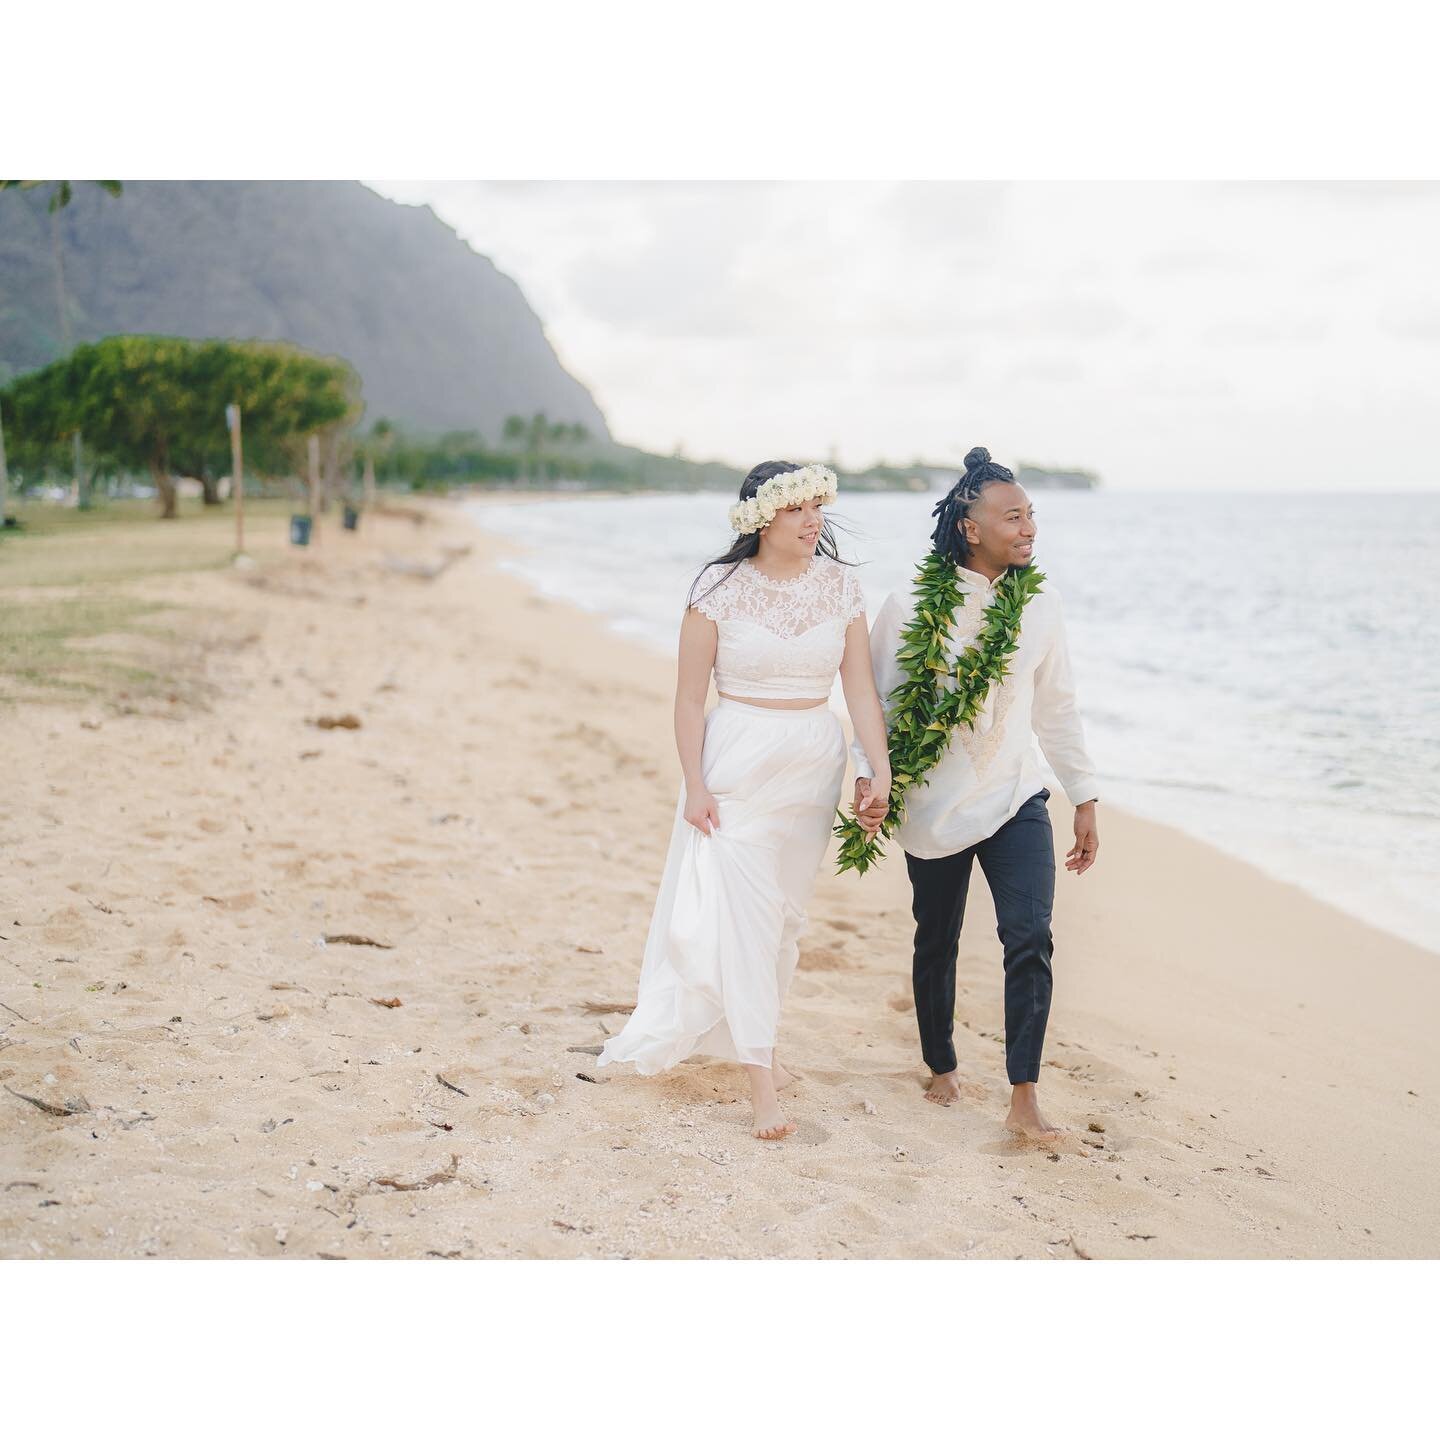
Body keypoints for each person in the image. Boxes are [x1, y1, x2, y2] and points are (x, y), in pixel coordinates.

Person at [597, 461, 891, 1140]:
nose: (812, 519)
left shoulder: (842, 587)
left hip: (812, 761)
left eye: (819, 506)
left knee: (783, 921)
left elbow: (860, 694)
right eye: (797, 509)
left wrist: (877, 770)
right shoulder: (717, 588)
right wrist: (695, 784)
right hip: (736, 763)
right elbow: (688, 697)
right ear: (762, 516)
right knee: (745, 918)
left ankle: (761, 1043)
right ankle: (761, 1085)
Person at [851, 446, 1100, 1138]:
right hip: (934, 802)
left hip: (1017, 795)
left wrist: (1083, 795)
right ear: (970, 525)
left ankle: (1024, 1097)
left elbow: (1057, 708)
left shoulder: (1041, 607)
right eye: (1013, 516)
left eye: (1031, 516)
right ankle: (942, 1065)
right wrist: (871, 780)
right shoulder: (908, 608)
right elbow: (878, 705)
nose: (1028, 529)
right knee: (937, 938)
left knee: (1030, 936)